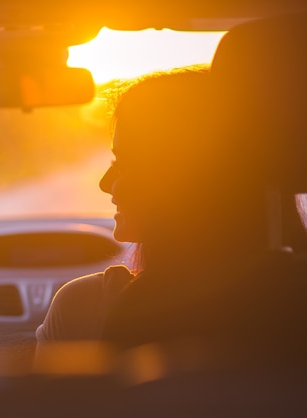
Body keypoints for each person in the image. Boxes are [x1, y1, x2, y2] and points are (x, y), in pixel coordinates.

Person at [35, 62, 307, 371]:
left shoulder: (87, 307)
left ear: (185, 177)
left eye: (124, 164)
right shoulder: (294, 303)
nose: (105, 183)